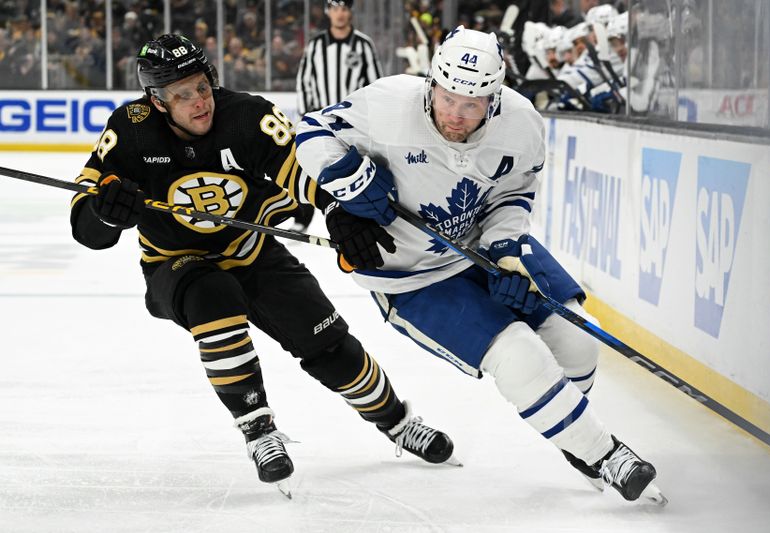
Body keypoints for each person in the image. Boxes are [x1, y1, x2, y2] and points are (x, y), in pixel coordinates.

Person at [69, 34, 456, 494]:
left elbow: (303, 167)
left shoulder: (248, 116)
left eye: (202, 87)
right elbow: (86, 226)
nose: (199, 103)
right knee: (215, 299)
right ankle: (259, 431)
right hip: (176, 263)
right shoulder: (129, 130)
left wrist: (337, 210)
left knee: (329, 344)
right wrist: (104, 212)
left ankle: (398, 422)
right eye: (182, 95)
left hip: (252, 251)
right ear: (156, 101)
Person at [295, 26, 666, 504]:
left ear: (494, 99)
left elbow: (513, 194)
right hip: (411, 274)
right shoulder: (388, 104)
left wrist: (506, 251)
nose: (454, 113)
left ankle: (575, 440)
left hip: (477, 244)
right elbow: (310, 130)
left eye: (470, 105)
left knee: (578, 341)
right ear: (431, 83)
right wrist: (341, 187)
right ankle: (605, 455)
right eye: (447, 97)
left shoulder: (520, 123)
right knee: (517, 354)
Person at [293, 0, 383, 232]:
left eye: (344, 8)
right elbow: (305, 80)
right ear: (327, 12)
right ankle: (302, 217)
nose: (340, 14)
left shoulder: (363, 44)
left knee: (358, 168)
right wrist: (305, 114)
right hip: (321, 119)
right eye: (335, 8)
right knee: (309, 166)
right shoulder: (316, 45)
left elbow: (374, 83)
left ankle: (366, 216)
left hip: (353, 122)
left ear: (350, 11)